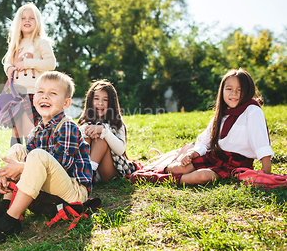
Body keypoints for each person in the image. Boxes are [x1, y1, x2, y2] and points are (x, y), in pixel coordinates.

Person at [0, 71, 92, 244]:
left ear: (66, 103)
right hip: (48, 189)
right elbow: (27, 161)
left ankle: (11, 220)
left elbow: (62, 165)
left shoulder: (68, 126)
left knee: (37, 155)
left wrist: (21, 168)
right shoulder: (36, 131)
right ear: (33, 98)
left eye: (53, 93)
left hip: (73, 190)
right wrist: (5, 173)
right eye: (40, 92)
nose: (45, 96)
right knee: (17, 149)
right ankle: (8, 203)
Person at [133, 68, 273, 185]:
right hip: (215, 155)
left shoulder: (252, 110)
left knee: (202, 176)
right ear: (222, 91)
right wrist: (193, 153)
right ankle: (154, 169)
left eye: (239, 90)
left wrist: (266, 171)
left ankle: (160, 179)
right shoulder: (222, 114)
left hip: (236, 164)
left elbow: (260, 140)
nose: (233, 94)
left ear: (248, 91)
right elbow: (205, 140)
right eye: (229, 89)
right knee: (181, 167)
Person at [1, 3, 56, 146]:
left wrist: (27, 63)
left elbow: (50, 63)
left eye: (31, 18)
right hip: (16, 94)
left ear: (37, 21)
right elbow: (7, 62)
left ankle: (33, 158)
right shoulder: (16, 43)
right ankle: (15, 160)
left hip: (32, 92)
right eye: (23, 18)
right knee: (16, 130)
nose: (27, 20)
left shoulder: (41, 42)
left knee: (29, 129)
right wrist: (9, 69)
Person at [77, 80, 137, 182]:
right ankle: (84, 173)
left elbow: (120, 150)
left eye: (105, 100)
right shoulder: (84, 122)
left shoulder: (117, 123)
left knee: (101, 136)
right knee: (87, 132)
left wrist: (105, 132)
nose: (100, 103)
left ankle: (89, 173)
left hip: (108, 171)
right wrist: (84, 130)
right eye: (96, 98)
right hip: (87, 168)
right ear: (90, 101)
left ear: (112, 103)